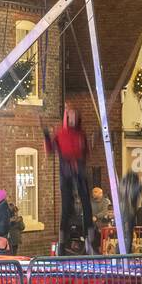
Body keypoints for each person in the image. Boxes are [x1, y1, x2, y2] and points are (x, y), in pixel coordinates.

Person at [43, 107, 94, 254]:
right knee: (66, 205)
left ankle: (89, 236)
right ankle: (63, 238)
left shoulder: (81, 134)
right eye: (70, 116)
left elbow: (86, 153)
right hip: (66, 171)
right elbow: (50, 149)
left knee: (86, 202)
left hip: (78, 170)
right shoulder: (61, 134)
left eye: (74, 116)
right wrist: (47, 136)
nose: (72, 119)